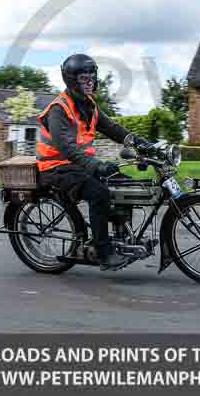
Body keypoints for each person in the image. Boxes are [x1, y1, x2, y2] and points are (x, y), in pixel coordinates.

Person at [36, 54, 150, 270]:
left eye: (91, 77)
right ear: (71, 81)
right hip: (55, 168)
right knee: (99, 193)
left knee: (123, 183)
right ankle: (103, 252)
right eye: (83, 79)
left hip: (78, 165)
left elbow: (113, 129)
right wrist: (95, 165)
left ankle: (121, 237)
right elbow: (66, 147)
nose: (89, 82)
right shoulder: (59, 109)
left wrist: (141, 144)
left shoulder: (89, 106)